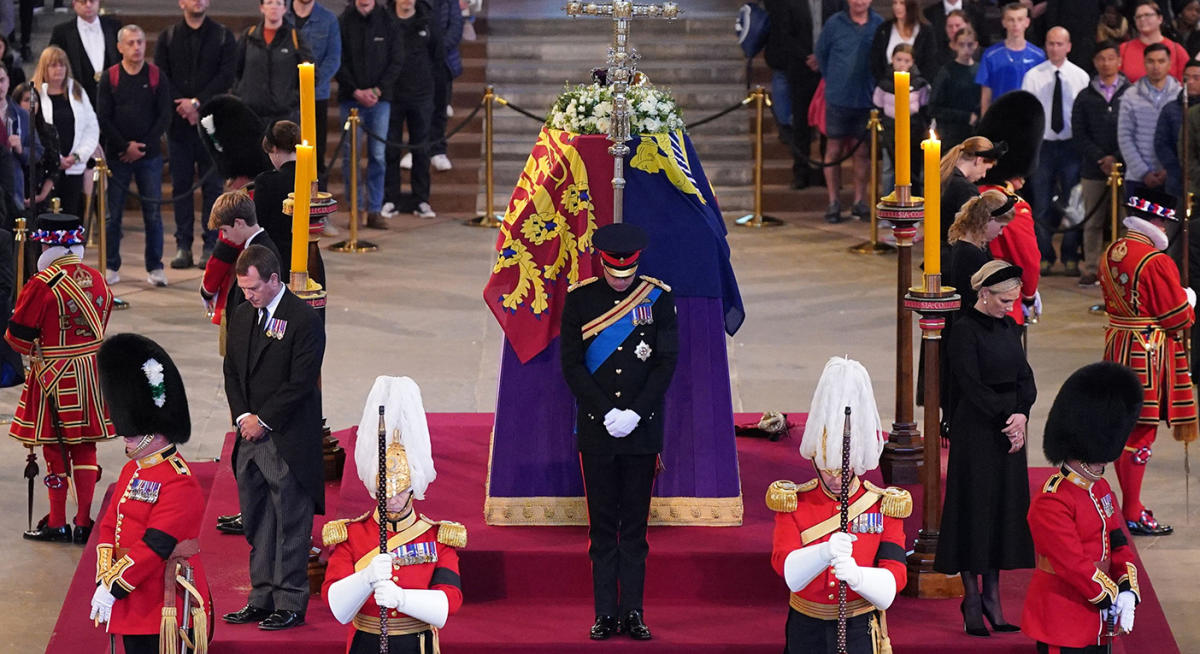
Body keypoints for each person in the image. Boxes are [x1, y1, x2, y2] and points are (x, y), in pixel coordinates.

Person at [559, 222, 678, 641]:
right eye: (613, 271)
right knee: (602, 528)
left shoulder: (658, 298)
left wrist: (635, 412)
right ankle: (605, 614)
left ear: (637, 264)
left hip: (641, 430)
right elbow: (571, 364)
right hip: (597, 428)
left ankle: (634, 613)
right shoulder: (581, 299)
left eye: (626, 273)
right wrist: (606, 410)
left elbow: (665, 363)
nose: (619, 278)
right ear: (603, 262)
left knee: (635, 531)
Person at [768, 356, 909, 654]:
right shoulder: (793, 502)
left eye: (841, 470)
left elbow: (893, 581)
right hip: (806, 627)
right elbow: (786, 569)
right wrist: (823, 552)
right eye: (827, 468)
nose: (834, 478)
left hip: (858, 626)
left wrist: (858, 576)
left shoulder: (883, 506)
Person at [221, 244, 325, 631]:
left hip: (287, 440)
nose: (247, 296)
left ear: (274, 280)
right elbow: (232, 370)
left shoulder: (303, 320)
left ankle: (291, 603)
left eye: (253, 289)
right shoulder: (244, 314)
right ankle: (261, 598)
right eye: (244, 289)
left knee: (290, 525)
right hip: (250, 438)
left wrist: (264, 419)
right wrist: (244, 416)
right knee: (257, 522)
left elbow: (301, 382)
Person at [89, 333, 213, 654]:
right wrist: (105, 575)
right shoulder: (134, 468)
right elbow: (109, 523)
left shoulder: (178, 480)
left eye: (132, 432)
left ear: (156, 430)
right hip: (130, 592)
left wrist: (114, 585)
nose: (125, 438)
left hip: (161, 598)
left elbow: (156, 545)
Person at [322, 376, 465, 653]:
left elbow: (450, 601)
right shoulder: (350, 534)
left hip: (415, 643)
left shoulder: (438, 537)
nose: (392, 499)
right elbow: (335, 604)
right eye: (384, 493)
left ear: (413, 490)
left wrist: (402, 598)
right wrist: (365, 579)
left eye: (400, 492)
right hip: (367, 642)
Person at [934, 260, 1036, 637]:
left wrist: (1022, 415)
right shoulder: (962, 331)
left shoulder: (1009, 327)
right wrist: (1006, 420)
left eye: (1014, 300)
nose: (1010, 307)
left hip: (1010, 429)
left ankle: (993, 596)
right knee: (974, 509)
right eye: (1005, 300)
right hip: (977, 431)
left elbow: (1026, 377)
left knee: (1001, 511)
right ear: (983, 294)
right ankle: (972, 598)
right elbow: (971, 386)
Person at [1022, 362, 1144, 653]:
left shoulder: (1099, 488)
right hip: (1064, 618)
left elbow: (1117, 542)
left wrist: (1128, 587)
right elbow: (1072, 564)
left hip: (1099, 616)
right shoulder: (1053, 498)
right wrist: (1112, 595)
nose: (1104, 464)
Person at [6, 213, 112, 543]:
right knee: (86, 447)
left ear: (48, 245)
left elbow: (18, 339)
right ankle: (83, 522)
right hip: (92, 372)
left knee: (54, 450)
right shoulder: (96, 277)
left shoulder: (41, 284)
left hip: (54, 375)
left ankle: (57, 521)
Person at [1098, 188, 1197, 536]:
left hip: (1118, 345)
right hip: (1147, 353)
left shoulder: (1112, 250)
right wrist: (1188, 300)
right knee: (1141, 432)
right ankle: (1133, 509)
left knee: (1126, 428)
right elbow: (1177, 318)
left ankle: (1130, 505)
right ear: (1158, 221)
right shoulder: (1155, 261)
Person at [155, 0, 237, 271]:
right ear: (182, 3)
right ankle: (183, 244)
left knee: (212, 186)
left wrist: (197, 103)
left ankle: (211, 243)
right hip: (179, 123)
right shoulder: (167, 36)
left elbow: (226, 75)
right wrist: (185, 106)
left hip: (212, 123)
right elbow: (161, 75)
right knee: (181, 187)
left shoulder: (223, 35)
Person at [96, 24, 172, 289]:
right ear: (119, 47)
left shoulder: (155, 75)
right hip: (118, 156)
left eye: (140, 42)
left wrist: (142, 145)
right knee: (112, 214)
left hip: (149, 156)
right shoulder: (110, 77)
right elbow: (103, 117)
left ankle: (155, 266)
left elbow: (164, 116)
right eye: (130, 43)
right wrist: (124, 146)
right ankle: (112, 265)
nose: (137, 47)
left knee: (152, 213)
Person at [1021, 27, 1089, 276]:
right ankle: (1044, 256)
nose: (1054, 48)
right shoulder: (1033, 76)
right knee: (1041, 203)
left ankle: (1071, 256)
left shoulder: (1080, 76)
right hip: (1044, 144)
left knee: (1073, 203)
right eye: (1050, 43)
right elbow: (1027, 113)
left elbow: (1083, 115)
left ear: (1068, 46)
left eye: (1059, 44)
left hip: (1071, 145)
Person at [974, 90, 1044, 323]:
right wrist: (1029, 295)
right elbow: (1028, 259)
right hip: (1001, 301)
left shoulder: (971, 194)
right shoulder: (1013, 206)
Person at [764, 0, 844, 190]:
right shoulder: (791, 3)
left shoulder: (835, 3)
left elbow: (839, 32)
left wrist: (821, 57)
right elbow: (785, 33)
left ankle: (828, 173)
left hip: (828, 70)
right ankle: (801, 172)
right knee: (800, 124)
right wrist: (807, 57)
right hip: (800, 68)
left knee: (827, 123)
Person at [337, 0, 401, 229]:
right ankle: (355, 208)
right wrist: (355, 90)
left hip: (379, 100)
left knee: (378, 155)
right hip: (350, 99)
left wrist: (376, 90)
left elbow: (396, 59)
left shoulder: (388, 21)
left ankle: (375, 209)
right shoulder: (343, 21)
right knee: (349, 157)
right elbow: (339, 60)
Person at [815, 0, 882, 223]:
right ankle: (833, 201)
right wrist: (834, 81)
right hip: (838, 98)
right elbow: (821, 55)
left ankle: (859, 201)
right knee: (833, 150)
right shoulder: (834, 23)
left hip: (866, 99)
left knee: (861, 152)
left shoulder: (878, 23)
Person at [1074, 40, 1131, 287]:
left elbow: (1134, 130)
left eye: (1111, 58)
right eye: (1101, 59)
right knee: (1093, 221)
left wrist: (1117, 157)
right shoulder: (1085, 96)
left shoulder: (1131, 92)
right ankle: (1091, 268)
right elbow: (1079, 133)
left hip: (1126, 167)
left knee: (1125, 220)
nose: (1106, 63)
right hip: (1093, 168)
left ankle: (1125, 267)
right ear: (1095, 63)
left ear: (1119, 61)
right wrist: (1100, 158)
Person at [384, 0, 443, 221]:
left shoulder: (428, 21)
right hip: (392, 95)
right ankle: (390, 199)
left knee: (421, 149)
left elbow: (438, 59)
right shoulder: (386, 20)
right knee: (390, 149)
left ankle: (421, 200)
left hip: (422, 96)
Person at [31, 45, 98, 221]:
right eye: (53, 65)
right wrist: (55, 158)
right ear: (44, 68)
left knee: (71, 218)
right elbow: (34, 130)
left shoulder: (77, 90)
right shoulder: (35, 93)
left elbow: (91, 127)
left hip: (73, 167)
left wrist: (77, 156)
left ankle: (71, 250)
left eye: (62, 65)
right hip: (45, 170)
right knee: (47, 222)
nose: (58, 69)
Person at [200, 190, 282, 330]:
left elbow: (259, 305)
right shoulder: (256, 246)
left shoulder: (257, 254)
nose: (224, 237)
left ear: (239, 223)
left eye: (225, 230)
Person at [232, 0, 313, 129]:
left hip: (284, 116)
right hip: (251, 114)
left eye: (278, 3)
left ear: (285, 9)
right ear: (262, 8)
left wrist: (291, 100)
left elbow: (311, 75)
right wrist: (241, 94)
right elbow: (235, 70)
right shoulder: (249, 36)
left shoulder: (295, 37)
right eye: (269, 3)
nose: (274, 7)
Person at [288, 0, 341, 183]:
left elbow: (333, 58)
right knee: (285, 152)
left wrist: (311, 83)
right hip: (285, 98)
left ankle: (316, 204)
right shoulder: (282, 14)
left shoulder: (328, 19)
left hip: (317, 95)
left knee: (316, 154)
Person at [1118, 42, 1180, 200]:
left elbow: (1184, 139)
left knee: (1165, 225)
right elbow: (1125, 137)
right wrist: (1143, 172)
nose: (1156, 66)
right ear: (1144, 63)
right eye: (1151, 61)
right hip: (1138, 178)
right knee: (1139, 224)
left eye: (1161, 61)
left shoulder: (1180, 95)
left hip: (1171, 178)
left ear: (1169, 63)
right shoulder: (1130, 95)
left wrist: (1170, 169)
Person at [872, 44, 929, 186]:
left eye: (907, 60)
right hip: (890, 130)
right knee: (889, 168)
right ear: (892, 59)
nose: (902, 64)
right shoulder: (884, 84)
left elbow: (924, 106)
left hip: (913, 131)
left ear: (913, 62)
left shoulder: (919, 84)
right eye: (899, 59)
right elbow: (878, 104)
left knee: (913, 169)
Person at [48, 0, 119, 110]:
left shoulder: (114, 27)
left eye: (92, 1)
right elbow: (51, 63)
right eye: (83, 1)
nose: (88, 5)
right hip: (77, 99)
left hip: (112, 99)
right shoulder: (61, 32)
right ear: (74, 3)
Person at [976, 3, 1045, 115]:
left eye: (1020, 19)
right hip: (999, 117)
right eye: (1011, 20)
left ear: (1027, 22)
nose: (1015, 24)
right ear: (1004, 22)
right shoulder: (990, 55)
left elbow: (1042, 93)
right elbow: (986, 98)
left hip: (1028, 118)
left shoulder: (1038, 56)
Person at [250, 120, 298, 276]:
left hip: (277, 258)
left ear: (275, 149)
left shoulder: (267, 181)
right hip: (307, 255)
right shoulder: (312, 178)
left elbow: (259, 223)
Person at [937, 135, 1002, 243]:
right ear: (979, 160)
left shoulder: (944, 177)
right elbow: (973, 232)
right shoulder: (966, 189)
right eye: (986, 169)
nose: (984, 175)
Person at [929, 22, 981, 151]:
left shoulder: (980, 70)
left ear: (976, 45)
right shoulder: (946, 71)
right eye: (961, 45)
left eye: (970, 45)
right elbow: (933, 108)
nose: (966, 49)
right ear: (953, 46)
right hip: (950, 134)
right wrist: (966, 117)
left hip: (974, 132)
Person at [1153, 59, 1200, 199]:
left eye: (1196, 78)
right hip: (1176, 178)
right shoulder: (1170, 109)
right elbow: (1161, 143)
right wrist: (1178, 170)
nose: (1190, 82)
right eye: (1186, 78)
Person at [428, 0, 463, 173]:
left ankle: (438, 150)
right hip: (418, 61)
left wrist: (438, 49)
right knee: (418, 110)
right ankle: (417, 148)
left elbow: (456, 26)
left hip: (443, 61)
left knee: (439, 110)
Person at [868, 0, 938, 85]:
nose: (897, 7)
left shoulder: (926, 31)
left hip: (916, 90)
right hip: (887, 88)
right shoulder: (884, 29)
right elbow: (876, 61)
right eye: (895, 3)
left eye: (902, 3)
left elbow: (930, 64)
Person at [1119, 0, 1189, 82]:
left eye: (1147, 15)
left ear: (1160, 18)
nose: (1142, 19)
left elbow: (1187, 84)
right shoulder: (1124, 49)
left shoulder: (1177, 50)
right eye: (1138, 17)